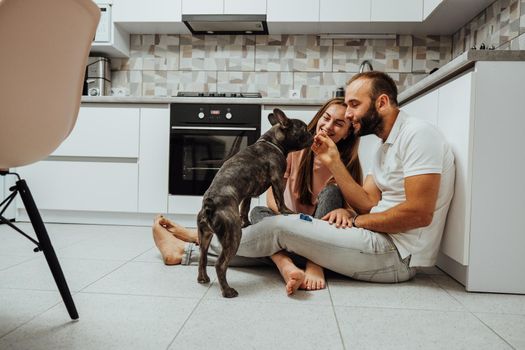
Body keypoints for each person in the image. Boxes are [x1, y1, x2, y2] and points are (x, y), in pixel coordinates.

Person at [153, 71, 455, 296]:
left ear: (383, 102)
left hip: (396, 256)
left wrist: (357, 218)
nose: (348, 115)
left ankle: (195, 241)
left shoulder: (418, 135)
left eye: (353, 105)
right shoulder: (384, 146)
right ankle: (201, 248)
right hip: (377, 239)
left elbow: (419, 214)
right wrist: (355, 213)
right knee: (278, 230)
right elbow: (370, 203)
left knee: (279, 230)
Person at [249, 97, 362, 292]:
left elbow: (357, 209)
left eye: (339, 124)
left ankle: (314, 262)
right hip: (293, 224)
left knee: (332, 191)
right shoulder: (294, 151)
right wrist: (291, 220)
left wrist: (347, 213)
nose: (328, 126)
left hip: (322, 231)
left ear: (347, 133)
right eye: (326, 118)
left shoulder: (347, 162)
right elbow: (271, 199)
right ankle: (285, 264)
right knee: (257, 212)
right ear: (318, 117)